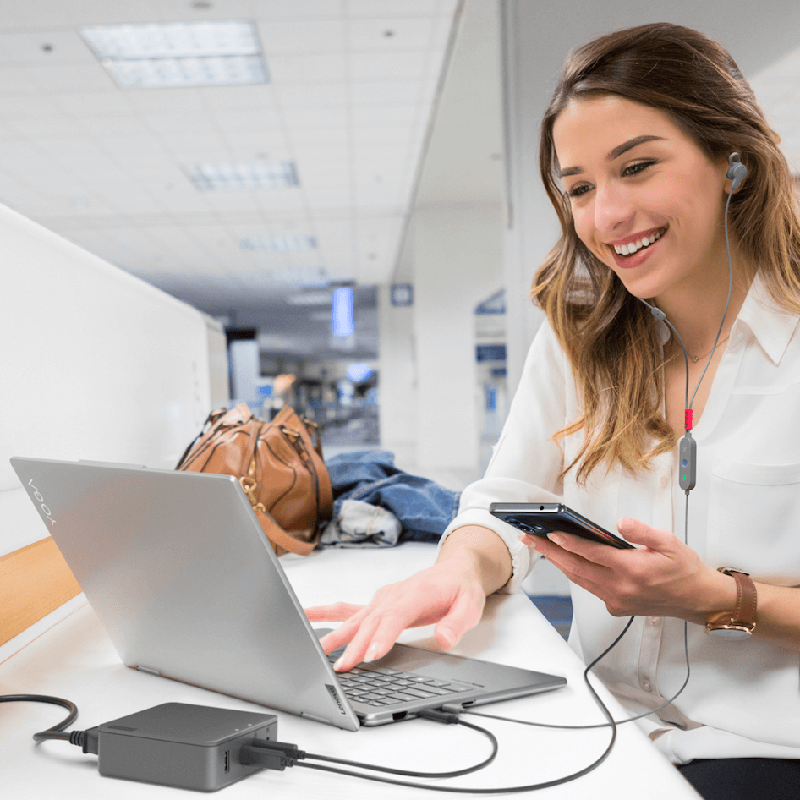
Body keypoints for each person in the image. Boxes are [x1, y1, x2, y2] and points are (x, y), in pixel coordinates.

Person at [306, 23, 800, 799]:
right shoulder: (581, 338)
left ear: (730, 160)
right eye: (578, 188)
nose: (607, 217)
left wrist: (715, 599)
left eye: (636, 167)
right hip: (603, 729)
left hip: (770, 753)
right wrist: (460, 571)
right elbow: (510, 503)